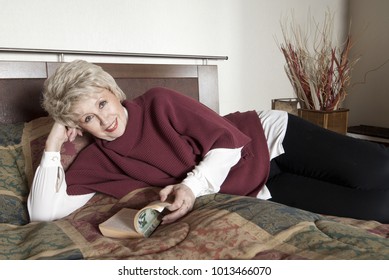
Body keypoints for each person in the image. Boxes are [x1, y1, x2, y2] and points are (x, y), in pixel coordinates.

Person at [27, 60, 389, 224]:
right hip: (258, 187)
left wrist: (191, 187)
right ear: (78, 125)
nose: (104, 119)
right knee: (379, 208)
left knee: (377, 168)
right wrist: (54, 143)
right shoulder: (99, 162)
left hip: (266, 138)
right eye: (87, 118)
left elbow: (228, 142)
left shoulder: (158, 101)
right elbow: (43, 213)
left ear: (112, 91)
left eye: (102, 103)